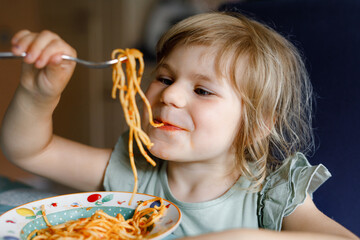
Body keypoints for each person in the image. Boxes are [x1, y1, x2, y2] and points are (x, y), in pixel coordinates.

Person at [0, 12, 358, 240]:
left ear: (259, 123)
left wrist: (239, 238)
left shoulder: (273, 194)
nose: (170, 97)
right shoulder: (134, 173)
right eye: (166, 78)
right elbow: (30, 150)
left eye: (202, 90)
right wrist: (38, 91)